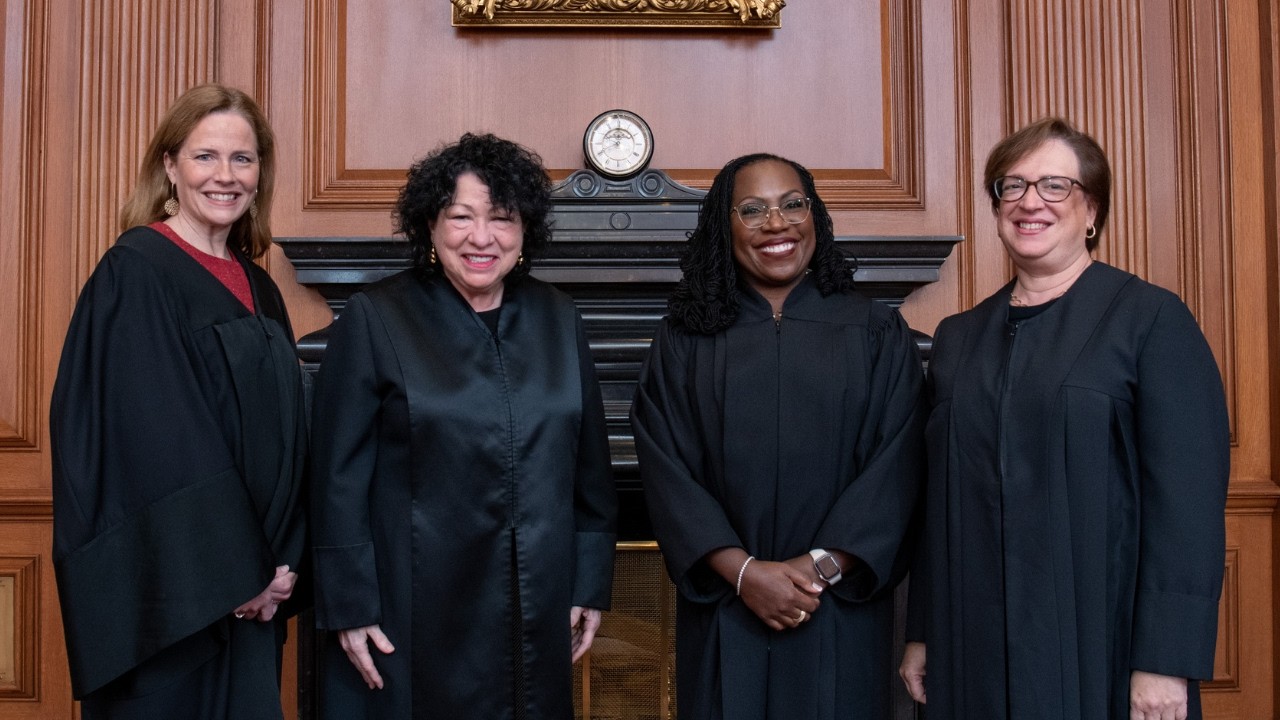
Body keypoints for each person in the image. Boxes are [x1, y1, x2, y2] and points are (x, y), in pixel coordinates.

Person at [899, 117, 1229, 720]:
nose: (1030, 202)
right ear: (997, 206)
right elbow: (936, 505)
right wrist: (923, 630)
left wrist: (1165, 659)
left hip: (1101, 637)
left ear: (1092, 209)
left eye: (1055, 185)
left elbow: (1186, 508)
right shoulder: (958, 338)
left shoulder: (1151, 321)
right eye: (1013, 185)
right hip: (972, 639)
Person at [310, 132, 617, 718]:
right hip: (410, 608)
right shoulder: (377, 318)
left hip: (537, 600)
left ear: (525, 230)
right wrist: (349, 604)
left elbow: (592, 473)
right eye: (461, 217)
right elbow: (336, 480)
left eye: (502, 218)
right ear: (430, 224)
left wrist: (588, 583)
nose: (482, 237)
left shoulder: (558, 317)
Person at [630, 153, 926, 720]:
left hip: (837, 606)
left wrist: (818, 569)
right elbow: (667, 469)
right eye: (752, 209)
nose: (776, 223)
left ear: (815, 216)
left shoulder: (874, 331)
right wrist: (743, 573)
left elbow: (899, 463)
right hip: (726, 606)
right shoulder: (685, 340)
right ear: (725, 225)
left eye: (793, 204)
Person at [50, 84, 307, 719]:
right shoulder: (136, 272)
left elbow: (289, 435)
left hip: (257, 589)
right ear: (169, 165)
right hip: (178, 601)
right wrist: (237, 569)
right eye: (205, 156)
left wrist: (284, 562)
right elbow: (154, 440)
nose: (226, 176)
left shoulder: (258, 286)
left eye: (242, 159)